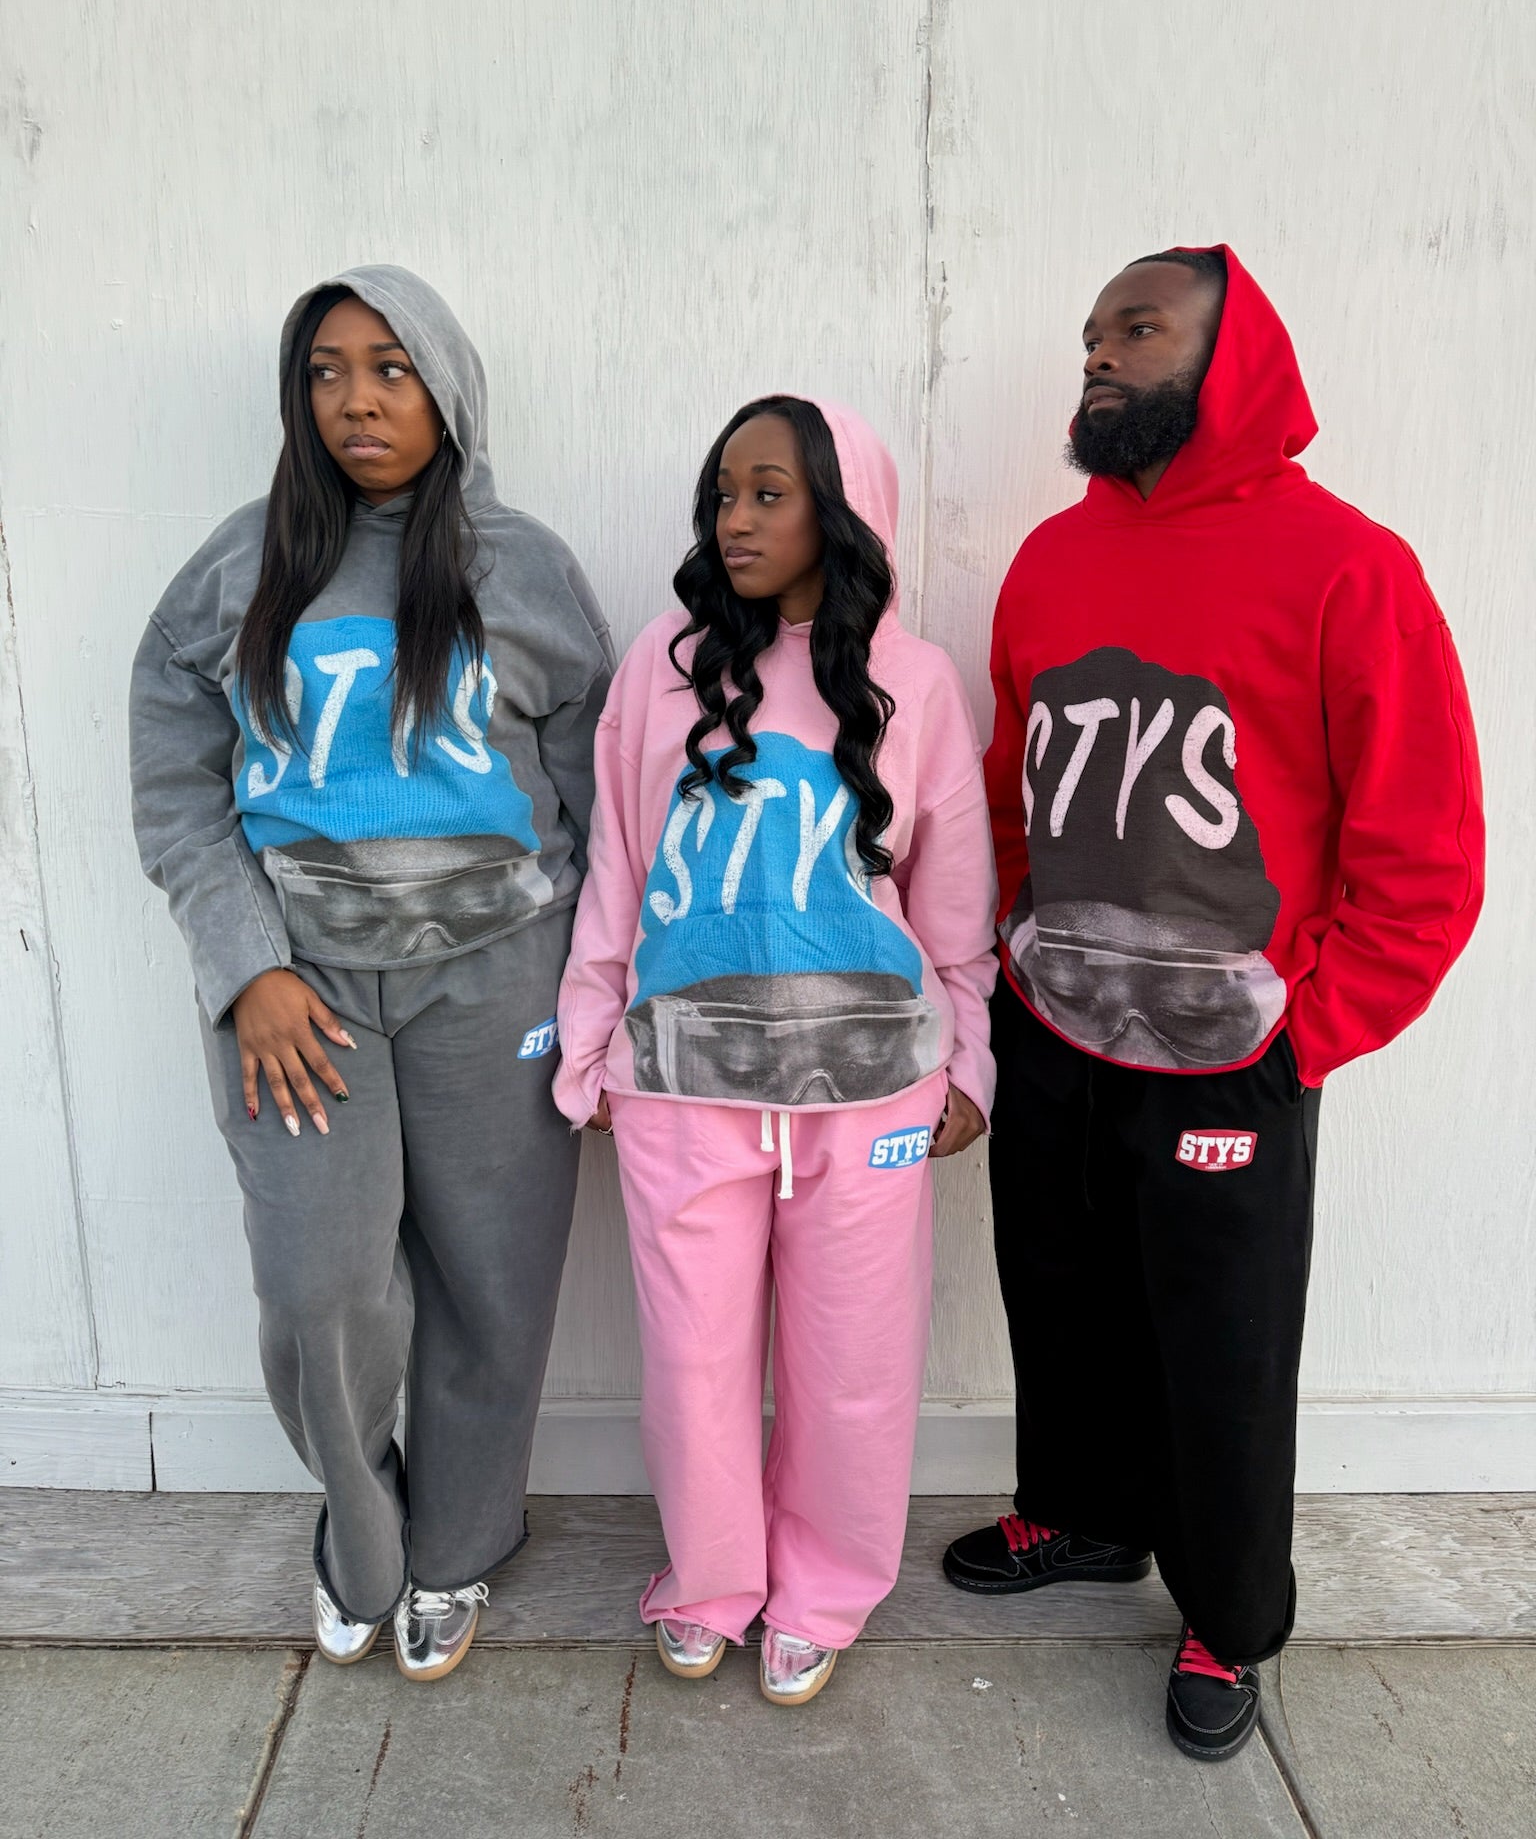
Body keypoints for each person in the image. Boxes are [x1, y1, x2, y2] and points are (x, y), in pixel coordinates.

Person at [944, 245, 1484, 1761]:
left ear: (1230, 357)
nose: (1099, 356)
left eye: (1139, 329)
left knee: (1221, 1340)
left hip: (1234, 1048)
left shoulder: (1349, 567)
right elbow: (1010, 791)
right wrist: (1008, 949)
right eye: (1091, 334)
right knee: (1057, 1287)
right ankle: (1084, 1514)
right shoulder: (1052, 561)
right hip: (1055, 1017)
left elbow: (1425, 845)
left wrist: (1307, 1032)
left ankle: (1229, 1614)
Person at [130, 267, 612, 1680]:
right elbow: (177, 791)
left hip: (499, 980)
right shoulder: (237, 571)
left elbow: (605, 803)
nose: (358, 399)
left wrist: (590, 995)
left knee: (491, 1281)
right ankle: (364, 1538)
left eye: (392, 368)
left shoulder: (525, 570)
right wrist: (246, 968)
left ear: (446, 385)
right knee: (319, 1284)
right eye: (328, 371)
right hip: (302, 997)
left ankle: (458, 1548)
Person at [555, 396, 997, 1705]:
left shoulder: (916, 682)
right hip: (682, 1082)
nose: (735, 521)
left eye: (769, 494)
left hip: (871, 1096)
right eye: (724, 495)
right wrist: (590, 1040)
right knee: (692, 1364)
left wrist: (970, 1061)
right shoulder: (665, 663)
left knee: (853, 1367)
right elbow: (620, 867)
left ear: (840, 514)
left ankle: (824, 1588)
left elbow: (954, 899)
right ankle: (709, 1579)